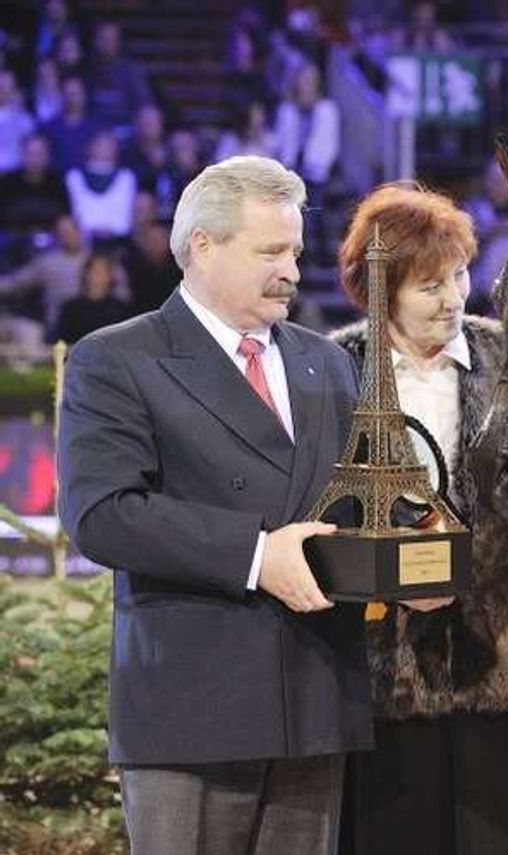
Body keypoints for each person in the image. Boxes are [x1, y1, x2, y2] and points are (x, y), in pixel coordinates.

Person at [56, 155, 372, 855]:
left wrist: (410, 563)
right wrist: (258, 555)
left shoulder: (329, 361)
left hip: (317, 702)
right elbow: (102, 513)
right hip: (190, 712)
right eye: (271, 251)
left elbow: (359, 503)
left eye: (294, 249)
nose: (292, 268)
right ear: (202, 246)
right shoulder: (115, 359)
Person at [332, 184, 508, 855]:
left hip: (502, 661)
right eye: (430, 285)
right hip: (383, 673)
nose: (453, 298)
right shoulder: (334, 367)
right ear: (382, 291)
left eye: (459, 275)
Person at [53, 250, 130, 343]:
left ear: (110, 276)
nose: (98, 274)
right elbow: (61, 342)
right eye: (95, 270)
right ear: (86, 274)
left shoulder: (121, 308)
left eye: (103, 270)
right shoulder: (71, 307)